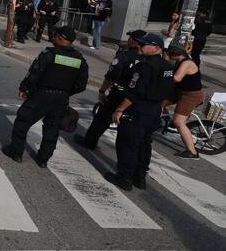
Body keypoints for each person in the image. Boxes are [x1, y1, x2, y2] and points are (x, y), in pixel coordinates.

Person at [2, 26, 88, 167]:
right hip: (61, 99)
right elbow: (81, 85)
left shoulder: (48, 54)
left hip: (41, 96)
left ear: (60, 37)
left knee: (22, 122)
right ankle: (43, 160)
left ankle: (16, 152)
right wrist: (65, 92)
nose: (53, 37)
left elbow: (34, 74)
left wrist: (24, 88)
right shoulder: (80, 60)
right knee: (52, 129)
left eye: (55, 35)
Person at [104, 33, 176, 191]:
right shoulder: (168, 66)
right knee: (144, 143)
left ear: (155, 48)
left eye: (143, 44)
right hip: (154, 109)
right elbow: (169, 91)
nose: (139, 46)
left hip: (139, 109)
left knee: (127, 143)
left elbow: (134, 92)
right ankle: (140, 177)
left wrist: (119, 110)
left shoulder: (146, 67)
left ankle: (124, 177)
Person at [75, 30, 145, 150]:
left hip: (119, 94)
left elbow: (111, 76)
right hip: (136, 98)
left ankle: (89, 142)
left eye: (130, 38)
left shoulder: (124, 55)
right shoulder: (148, 58)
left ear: (134, 41)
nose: (128, 40)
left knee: (101, 119)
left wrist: (102, 91)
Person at [164, 42, 205, 159]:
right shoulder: (179, 61)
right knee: (160, 102)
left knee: (178, 122)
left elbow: (177, 78)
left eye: (169, 53)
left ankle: (192, 152)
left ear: (174, 53)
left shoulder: (187, 63)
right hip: (180, 92)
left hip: (191, 95)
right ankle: (162, 122)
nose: (167, 54)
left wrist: (162, 75)